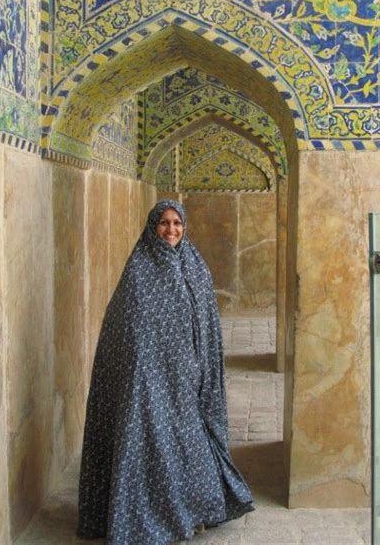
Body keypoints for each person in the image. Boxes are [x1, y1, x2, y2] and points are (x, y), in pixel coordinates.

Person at [77, 199, 255, 544]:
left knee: (190, 446)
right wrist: (144, 378)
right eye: (164, 223)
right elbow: (127, 330)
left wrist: (200, 370)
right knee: (154, 448)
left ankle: (193, 511)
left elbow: (207, 327)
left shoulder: (195, 267)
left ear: (184, 227)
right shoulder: (139, 271)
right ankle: (155, 518)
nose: (170, 230)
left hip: (187, 379)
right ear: (152, 227)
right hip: (148, 383)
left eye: (176, 223)